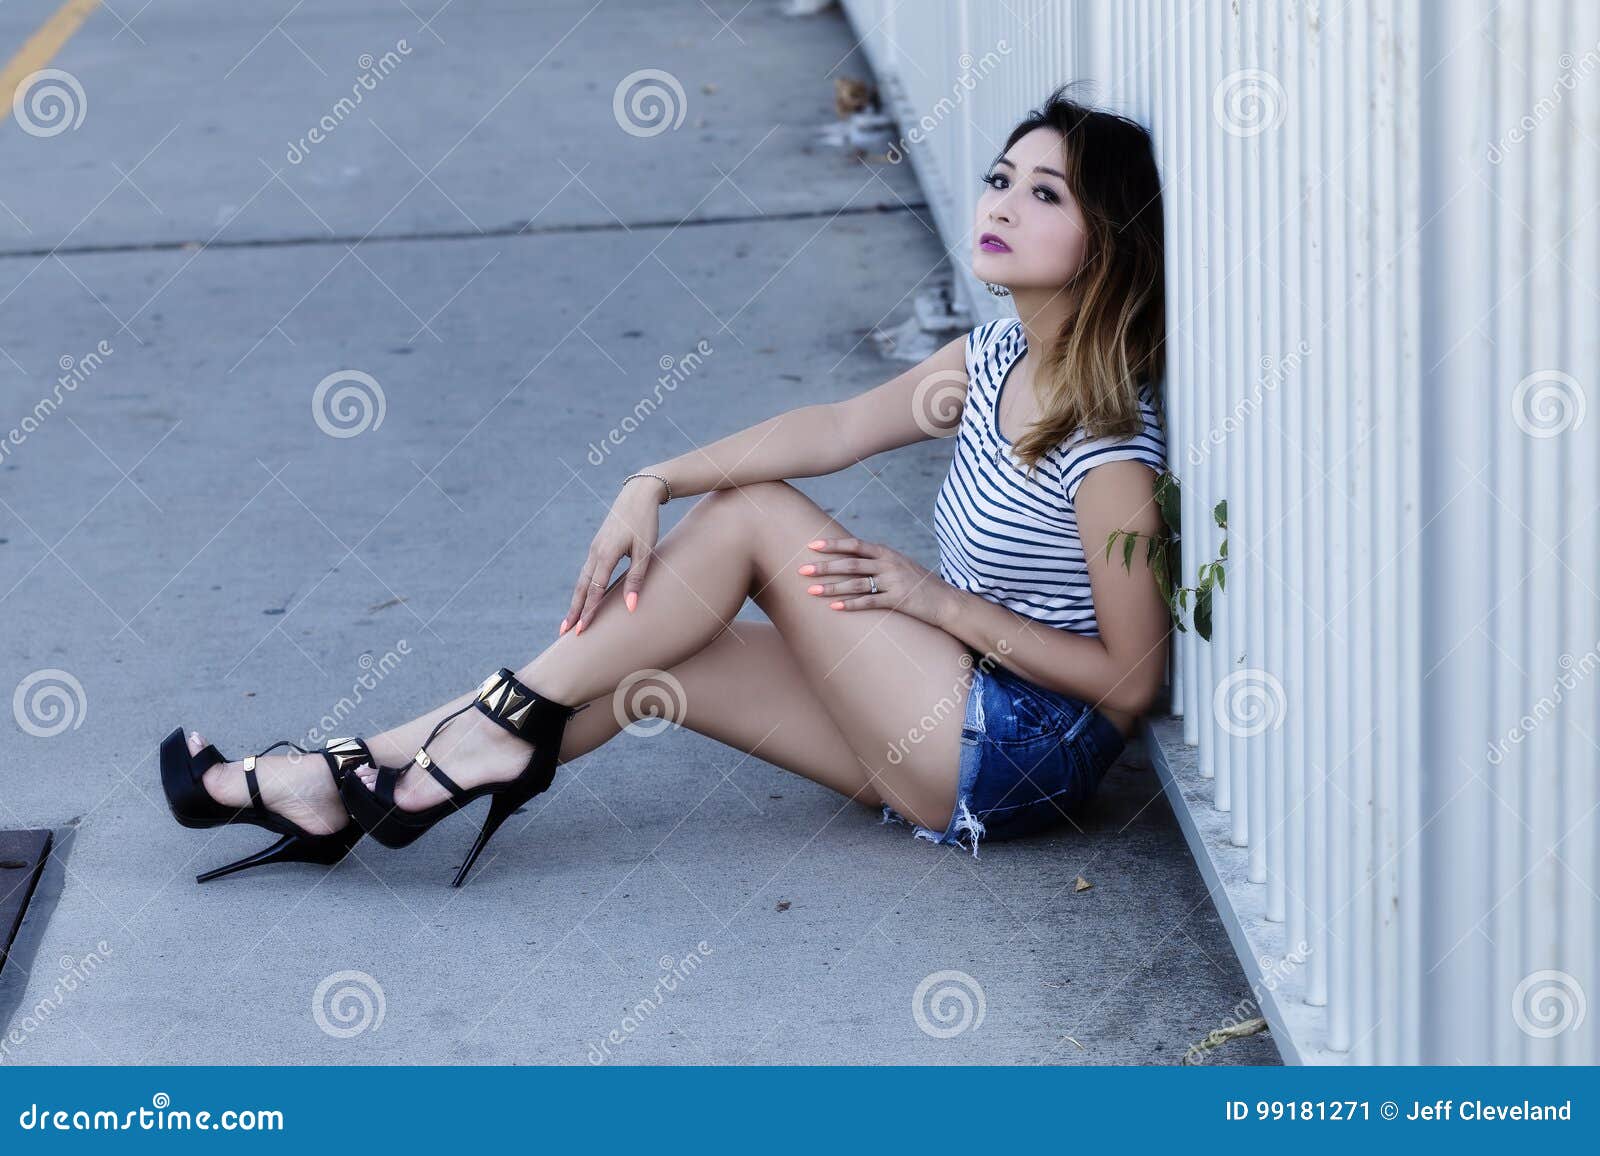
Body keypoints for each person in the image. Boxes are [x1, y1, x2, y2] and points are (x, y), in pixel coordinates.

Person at [160, 83, 1171, 885]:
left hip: (1019, 750)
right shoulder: (992, 358)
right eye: (1002, 176)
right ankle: (344, 781)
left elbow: (1132, 683)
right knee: (660, 661)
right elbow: (830, 429)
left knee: (755, 514)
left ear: (1106, 244)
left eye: (1046, 194)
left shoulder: (1108, 444)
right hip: (943, 712)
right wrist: (653, 477)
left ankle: (478, 736)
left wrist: (928, 598)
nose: (1001, 201)